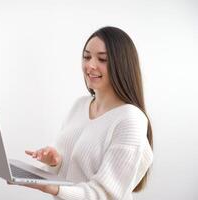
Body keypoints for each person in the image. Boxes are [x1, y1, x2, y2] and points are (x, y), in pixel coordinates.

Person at [9, 26, 153, 200]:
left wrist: (53, 188)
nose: (90, 65)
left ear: (121, 65)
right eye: (86, 57)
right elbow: (73, 171)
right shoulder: (80, 105)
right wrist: (56, 162)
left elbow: (105, 194)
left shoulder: (130, 119)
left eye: (102, 59)